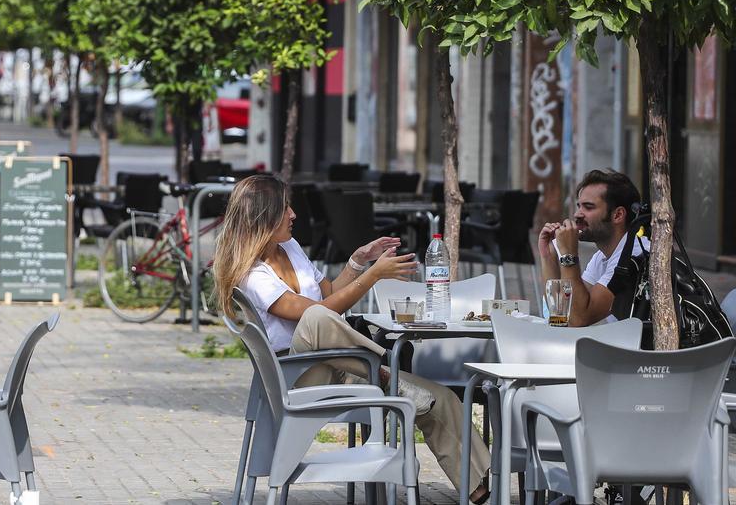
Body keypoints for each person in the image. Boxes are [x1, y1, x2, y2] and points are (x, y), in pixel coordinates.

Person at [213, 175, 491, 500]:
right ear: (264, 216)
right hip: (299, 375)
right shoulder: (253, 275)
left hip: (342, 363)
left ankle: (482, 487)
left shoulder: (288, 248)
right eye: (285, 207)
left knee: (440, 397)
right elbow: (314, 312)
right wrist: (373, 277)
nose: (293, 214)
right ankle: (387, 371)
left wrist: (359, 262)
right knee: (317, 317)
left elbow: (328, 292)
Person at [536, 169, 648, 327]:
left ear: (618, 215)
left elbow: (578, 319)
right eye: (579, 206)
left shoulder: (634, 256)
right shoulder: (602, 257)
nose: (577, 214)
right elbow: (561, 313)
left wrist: (569, 255)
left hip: (640, 351)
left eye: (588, 207)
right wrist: (548, 257)